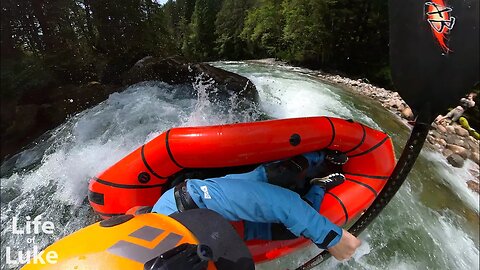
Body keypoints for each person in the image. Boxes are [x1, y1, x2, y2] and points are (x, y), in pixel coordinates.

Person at [152, 150, 362, 261]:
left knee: (281, 176)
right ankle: (318, 186)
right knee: (291, 231)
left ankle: (322, 155)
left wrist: (330, 237)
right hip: (226, 234)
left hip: (200, 201)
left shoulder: (179, 208)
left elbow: (277, 201)